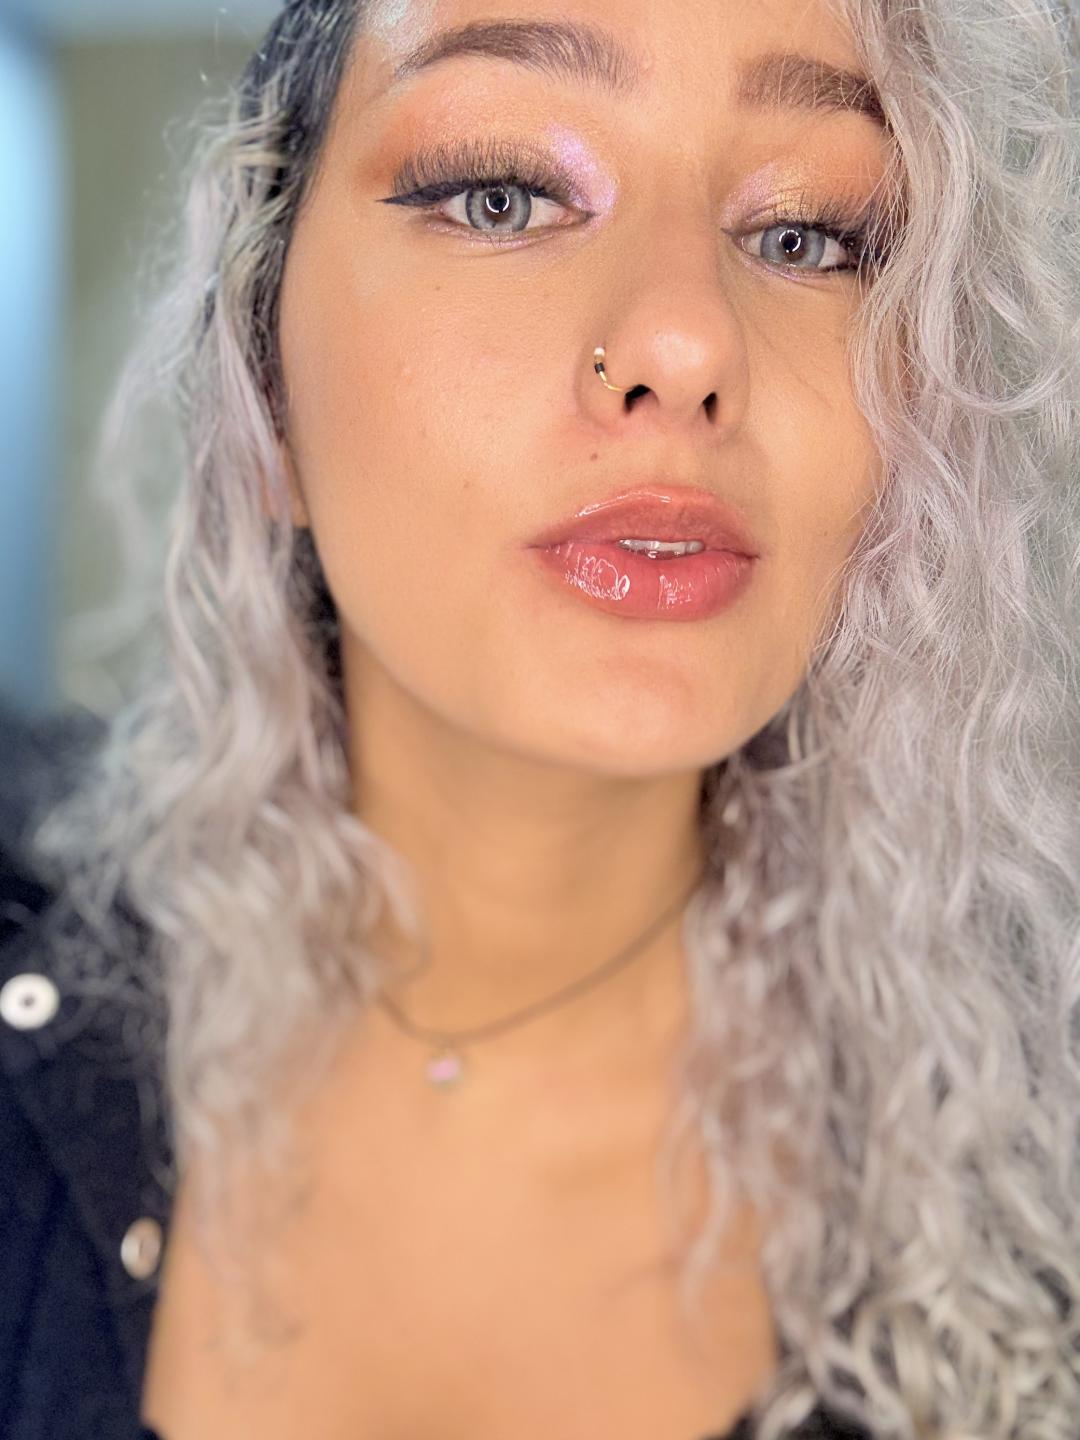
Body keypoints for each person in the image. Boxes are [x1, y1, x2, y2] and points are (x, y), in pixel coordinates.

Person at [2, 0, 1078, 1435]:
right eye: (502, 196)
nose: (686, 340)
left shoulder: (1037, 1227)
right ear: (263, 378)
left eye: (808, 234)